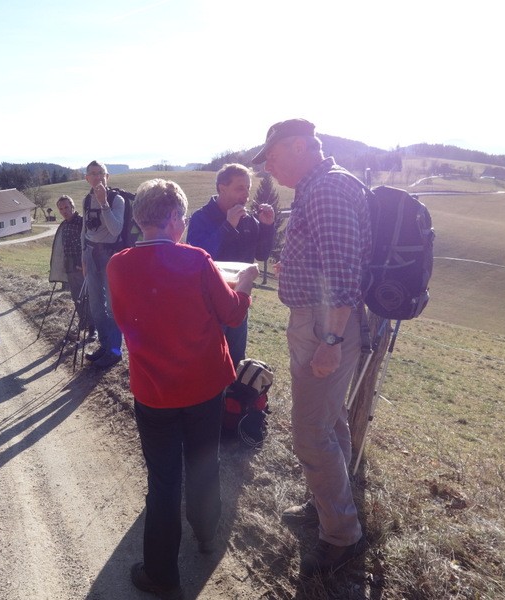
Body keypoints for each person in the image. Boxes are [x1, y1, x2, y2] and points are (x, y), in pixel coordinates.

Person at [107, 178, 259, 599]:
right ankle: (206, 534)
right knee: (204, 464)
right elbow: (230, 314)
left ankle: (161, 573)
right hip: (204, 388)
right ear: (174, 218)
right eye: (184, 217)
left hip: (153, 392)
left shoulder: (118, 264)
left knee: (163, 481)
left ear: (140, 218)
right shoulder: (196, 259)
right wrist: (245, 281)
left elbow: (126, 319)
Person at [252, 118, 371, 578]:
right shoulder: (318, 187)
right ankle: (328, 504)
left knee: (309, 434)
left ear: (301, 147)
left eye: (275, 157)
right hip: (319, 321)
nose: (271, 167)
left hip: (326, 326)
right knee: (330, 421)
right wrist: (294, 268)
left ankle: (343, 537)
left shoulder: (326, 190)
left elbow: (342, 274)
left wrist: (331, 342)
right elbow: (325, 258)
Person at [186, 163, 275, 366]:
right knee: (209, 359)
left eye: (247, 189)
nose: (245, 195)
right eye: (239, 188)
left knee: (235, 358)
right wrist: (227, 227)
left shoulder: (249, 220)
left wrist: (267, 227)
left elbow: (261, 255)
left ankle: (232, 396)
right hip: (208, 304)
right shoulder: (202, 217)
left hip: (239, 300)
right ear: (221, 188)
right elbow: (197, 258)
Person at [81, 160, 124, 369]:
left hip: (110, 256)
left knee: (112, 308)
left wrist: (104, 202)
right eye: (93, 173)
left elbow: (115, 230)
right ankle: (105, 346)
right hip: (90, 254)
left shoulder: (117, 200)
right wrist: (83, 254)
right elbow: (84, 229)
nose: (98, 177)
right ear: (87, 178)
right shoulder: (86, 199)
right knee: (96, 306)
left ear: (107, 177)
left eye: (101, 173)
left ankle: (115, 351)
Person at [54, 195, 95, 342]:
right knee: (77, 298)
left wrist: (84, 263)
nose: (64, 211)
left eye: (66, 207)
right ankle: (83, 323)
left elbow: (89, 243)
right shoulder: (64, 225)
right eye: (61, 209)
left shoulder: (82, 222)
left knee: (89, 298)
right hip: (70, 268)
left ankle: (92, 330)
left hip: (82, 266)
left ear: (72, 207)